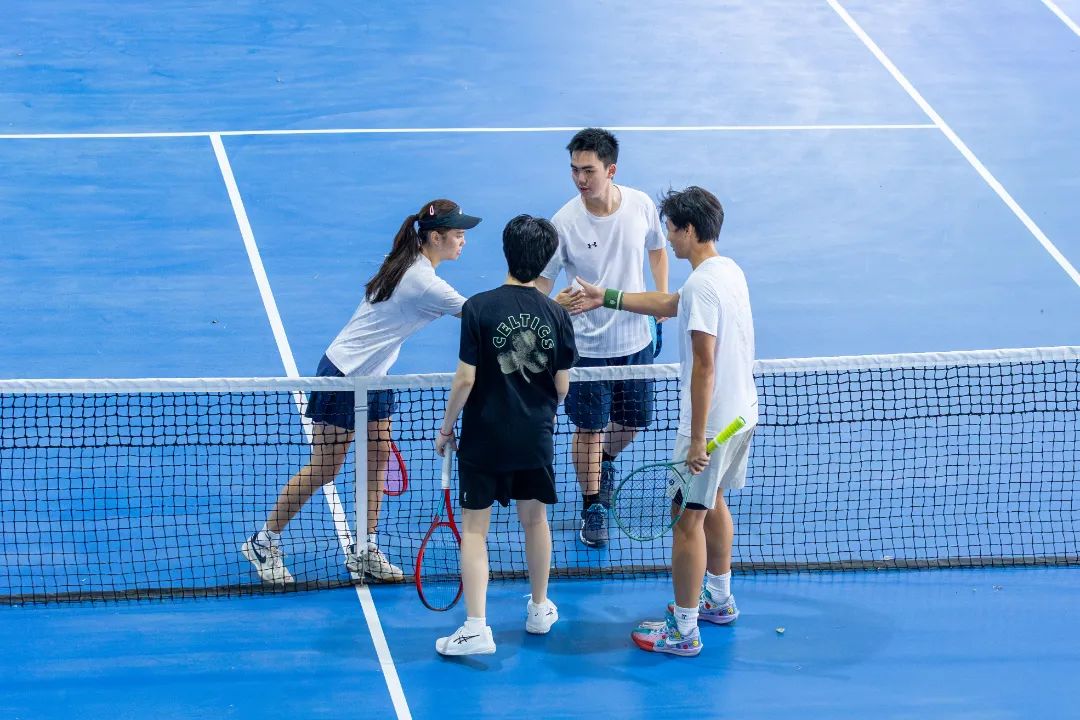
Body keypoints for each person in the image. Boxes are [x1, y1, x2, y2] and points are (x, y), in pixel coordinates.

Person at [242, 199, 481, 585]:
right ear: (435, 237)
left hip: (376, 378)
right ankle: (262, 542)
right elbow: (483, 316)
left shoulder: (408, 260)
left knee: (377, 459)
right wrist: (547, 309)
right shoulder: (423, 282)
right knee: (325, 468)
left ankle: (365, 548)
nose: (463, 240)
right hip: (343, 376)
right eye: (457, 234)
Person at [569, 186, 757, 657]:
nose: (667, 238)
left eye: (671, 229)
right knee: (712, 501)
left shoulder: (702, 286)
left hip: (710, 426)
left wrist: (696, 440)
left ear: (689, 229)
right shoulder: (727, 271)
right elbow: (671, 304)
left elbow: (704, 365)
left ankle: (684, 630)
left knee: (685, 521)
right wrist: (605, 297)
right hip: (742, 414)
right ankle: (719, 599)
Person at [434, 215, 578, 656]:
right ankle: (539, 609)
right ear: (545, 260)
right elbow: (562, 386)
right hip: (535, 436)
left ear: (506, 252)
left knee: (475, 530)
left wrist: (446, 428)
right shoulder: (557, 314)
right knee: (535, 520)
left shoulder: (478, 307)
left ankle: (476, 627)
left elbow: (465, 379)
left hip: (484, 437)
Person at [535, 127, 669, 548]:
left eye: (588, 170)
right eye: (574, 169)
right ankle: (592, 503)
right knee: (589, 429)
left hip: (636, 339)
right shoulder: (563, 222)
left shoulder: (641, 205)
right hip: (587, 348)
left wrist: (659, 300)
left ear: (611, 170)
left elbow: (657, 248)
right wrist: (549, 307)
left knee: (633, 422)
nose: (579, 179)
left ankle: (604, 462)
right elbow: (542, 282)